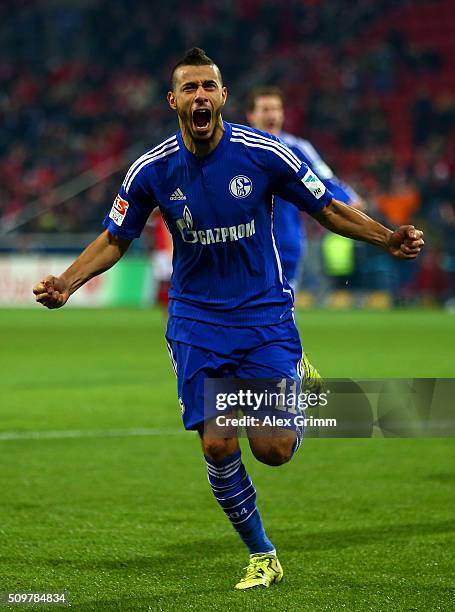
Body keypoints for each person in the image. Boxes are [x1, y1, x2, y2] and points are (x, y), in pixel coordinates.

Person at [33, 48, 424, 590]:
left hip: (263, 314)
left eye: (207, 88)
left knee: (274, 451)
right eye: (189, 88)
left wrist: (386, 237)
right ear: (173, 100)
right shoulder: (151, 170)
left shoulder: (265, 156)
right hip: (196, 320)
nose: (199, 97)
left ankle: (300, 392)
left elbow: (327, 207)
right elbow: (115, 236)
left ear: (222, 97)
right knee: (217, 443)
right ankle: (262, 552)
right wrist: (68, 282)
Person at [246, 86, 364, 289]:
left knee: (283, 309)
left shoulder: (296, 149)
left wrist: (348, 199)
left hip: (285, 242)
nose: (272, 115)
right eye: (265, 109)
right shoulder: (239, 150)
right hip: (245, 244)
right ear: (251, 116)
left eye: (276, 109)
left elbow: (322, 181)